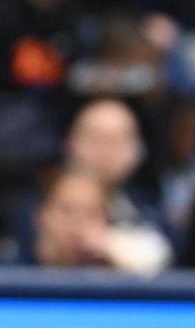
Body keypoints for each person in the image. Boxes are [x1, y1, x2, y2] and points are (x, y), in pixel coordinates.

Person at [57, 97, 171, 274]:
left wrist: (111, 246)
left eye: (114, 141)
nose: (103, 152)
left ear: (137, 151)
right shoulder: (37, 207)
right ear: (70, 144)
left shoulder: (151, 211)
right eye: (94, 139)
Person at [27, 167, 118, 269]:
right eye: (66, 210)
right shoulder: (10, 272)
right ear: (41, 214)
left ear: (107, 220)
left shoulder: (123, 276)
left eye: (91, 214)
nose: (77, 222)